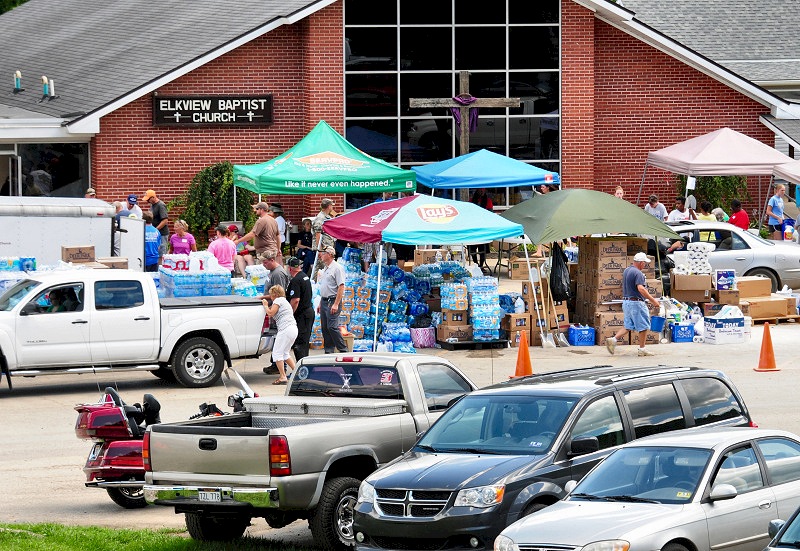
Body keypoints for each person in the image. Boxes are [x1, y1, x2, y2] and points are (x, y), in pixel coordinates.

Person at [606, 252, 660, 357]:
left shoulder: (627, 270)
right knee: (644, 326)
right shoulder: (638, 273)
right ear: (641, 262)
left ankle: (613, 340)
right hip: (636, 303)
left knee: (628, 325)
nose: (645, 265)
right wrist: (653, 301)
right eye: (644, 263)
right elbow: (641, 288)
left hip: (627, 302)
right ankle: (642, 349)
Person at [261, 285, 298, 385]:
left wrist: (265, 305)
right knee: (285, 353)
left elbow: (270, 313)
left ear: (276, 294)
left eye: (271, 295)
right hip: (293, 328)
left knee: (277, 354)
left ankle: (282, 376)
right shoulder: (284, 302)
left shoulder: (278, 301)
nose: (270, 297)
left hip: (285, 329)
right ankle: (296, 372)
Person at [317, 245, 347, 354]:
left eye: (323, 253)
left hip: (333, 300)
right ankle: (329, 351)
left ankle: (343, 349)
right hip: (325, 300)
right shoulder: (326, 268)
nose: (321, 255)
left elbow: (341, 286)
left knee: (332, 327)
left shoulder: (337, 268)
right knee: (325, 327)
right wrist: (321, 302)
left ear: (329, 255)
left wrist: (336, 304)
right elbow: (325, 287)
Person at [286, 256, 314, 362]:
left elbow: (295, 300)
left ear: (290, 268)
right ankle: (303, 367)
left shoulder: (296, 280)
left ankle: (301, 368)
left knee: (299, 344)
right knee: (304, 342)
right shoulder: (305, 276)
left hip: (302, 315)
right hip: (308, 312)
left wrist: (290, 314)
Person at [469, 188, 493, 269]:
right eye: (480, 190)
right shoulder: (471, 201)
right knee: (472, 248)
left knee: (483, 248)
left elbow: (490, 214)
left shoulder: (488, 201)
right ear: (477, 191)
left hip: (483, 228)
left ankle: (481, 265)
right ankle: (476, 264)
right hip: (473, 228)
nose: (482, 192)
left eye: (483, 190)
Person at [143, 189, 169, 262]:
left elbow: (165, 220)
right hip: (156, 233)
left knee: (161, 253)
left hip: (162, 234)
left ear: (153, 197)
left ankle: (160, 268)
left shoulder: (161, 205)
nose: (147, 202)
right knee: (155, 251)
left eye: (148, 200)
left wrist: (155, 230)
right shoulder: (152, 205)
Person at [312, 198, 337, 268]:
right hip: (323, 250)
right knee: (323, 270)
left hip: (327, 249)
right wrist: (319, 250)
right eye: (332, 206)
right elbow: (318, 234)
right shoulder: (320, 218)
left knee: (325, 269)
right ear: (329, 206)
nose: (332, 207)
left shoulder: (327, 217)